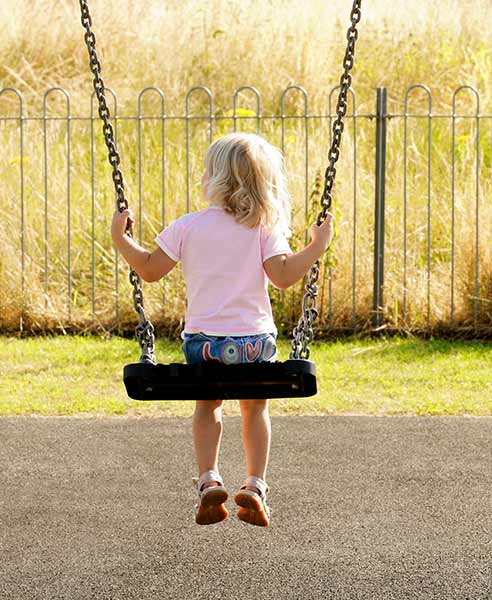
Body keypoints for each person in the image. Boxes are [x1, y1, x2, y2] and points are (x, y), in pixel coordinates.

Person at [110, 133, 334, 527]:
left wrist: (121, 238)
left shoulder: (188, 227)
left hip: (204, 349)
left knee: (208, 404)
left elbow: (148, 269)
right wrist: (316, 247)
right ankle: (255, 484)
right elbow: (283, 277)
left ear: (212, 178)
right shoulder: (263, 228)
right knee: (254, 405)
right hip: (254, 346)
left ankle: (208, 479)